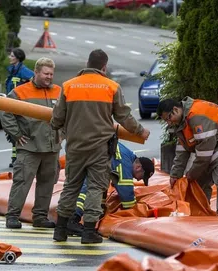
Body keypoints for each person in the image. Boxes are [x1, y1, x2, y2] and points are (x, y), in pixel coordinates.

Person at [51, 49, 150, 244]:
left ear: (87, 64)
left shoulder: (68, 86)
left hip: (75, 146)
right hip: (99, 148)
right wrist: (140, 131)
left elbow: (56, 119)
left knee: (71, 186)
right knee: (96, 187)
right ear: (104, 67)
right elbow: (123, 116)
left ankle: (60, 230)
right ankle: (88, 232)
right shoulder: (111, 87)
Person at [157, 97, 218, 217]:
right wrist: (175, 174)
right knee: (199, 181)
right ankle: (202, 210)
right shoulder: (182, 122)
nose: (169, 123)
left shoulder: (197, 116)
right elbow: (182, 150)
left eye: (168, 118)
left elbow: (204, 155)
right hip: (214, 143)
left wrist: (190, 174)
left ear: (175, 110)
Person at [1, 57, 61, 229]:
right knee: (22, 182)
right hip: (29, 147)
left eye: (51, 74)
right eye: (46, 73)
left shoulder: (59, 91)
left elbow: (67, 114)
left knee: (47, 183)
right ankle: (12, 216)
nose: (49, 77)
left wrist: (61, 134)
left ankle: (40, 217)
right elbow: (6, 111)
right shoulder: (21, 92)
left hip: (51, 147)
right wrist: (16, 134)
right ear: (36, 72)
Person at [67, 142, 155, 236]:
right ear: (138, 167)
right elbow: (127, 198)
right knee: (89, 188)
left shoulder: (125, 155)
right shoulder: (124, 161)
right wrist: (140, 209)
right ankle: (73, 219)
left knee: (97, 186)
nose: (138, 179)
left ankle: (74, 221)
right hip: (90, 155)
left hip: (87, 153)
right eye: (141, 177)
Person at [5, 48, 34, 168]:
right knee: (13, 132)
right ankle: (14, 157)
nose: (10, 58)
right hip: (12, 104)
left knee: (20, 131)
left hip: (21, 105)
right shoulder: (12, 71)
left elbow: (34, 83)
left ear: (17, 58)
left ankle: (19, 157)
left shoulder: (24, 71)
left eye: (12, 56)